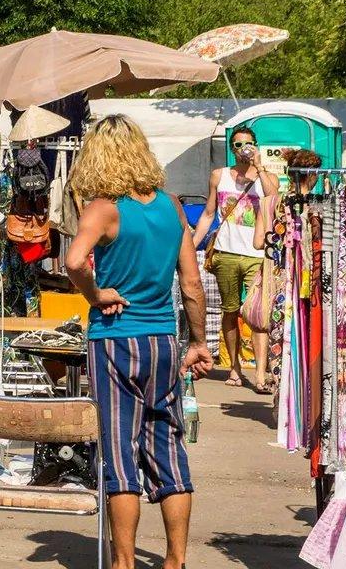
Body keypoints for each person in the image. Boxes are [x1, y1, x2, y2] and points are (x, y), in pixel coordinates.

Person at [63, 115, 210, 569]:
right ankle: (175, 560)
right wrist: (199, 342)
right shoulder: (170, 206)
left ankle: (124, 562)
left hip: (116, 340)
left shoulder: (105, 208)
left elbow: (73, 262)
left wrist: (95, 293)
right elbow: (191, 284)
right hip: (164, 340)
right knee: (168, 446)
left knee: (120, 455)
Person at [198, 129, 277, 392]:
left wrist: (258, 166)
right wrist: (190, 242)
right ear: (232, 148)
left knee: (257, 313)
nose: (242, 147)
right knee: (230, 310)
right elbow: (209, 213)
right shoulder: (219, 176)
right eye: (237, 144)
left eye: (247, 144)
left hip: (257, 254)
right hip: (226, 252)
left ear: (255, 145)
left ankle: (261, 372)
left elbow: (272, 197)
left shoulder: (267, 176)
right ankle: (234, 365)